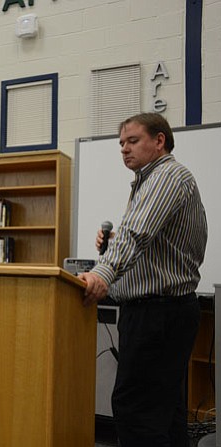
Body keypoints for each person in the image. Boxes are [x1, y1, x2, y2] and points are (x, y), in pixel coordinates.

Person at [78, 113, 208, 447]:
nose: (123, 149)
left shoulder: (166, 176)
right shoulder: (150, 181)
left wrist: (102, 273)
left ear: (159, 140)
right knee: (166, 414)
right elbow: (151, 244)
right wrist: (111, 245)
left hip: (157, 315)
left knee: (136, 412)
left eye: (132, 141)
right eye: (121, 143)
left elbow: (136, 235)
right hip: (165, 313)